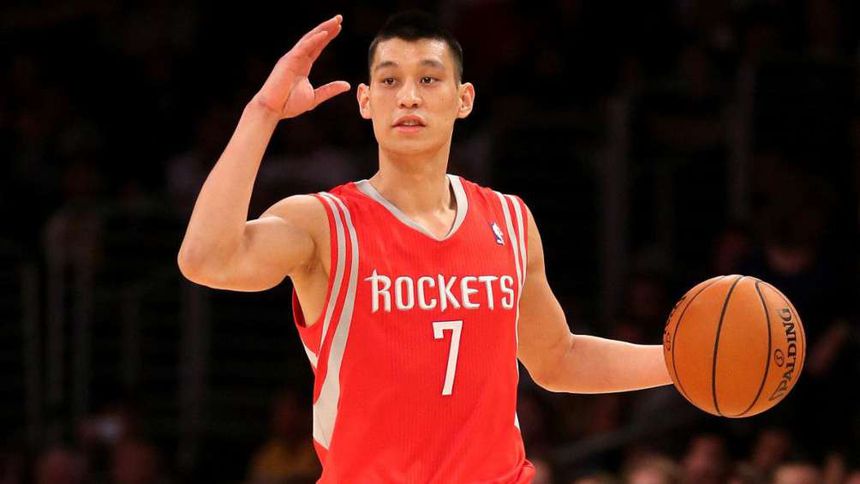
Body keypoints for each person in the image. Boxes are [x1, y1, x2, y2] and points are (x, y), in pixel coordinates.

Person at [177, 11, 671, 483]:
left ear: (464, 99)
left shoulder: (510, 220)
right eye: (390, 80)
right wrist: (263, 113)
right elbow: (206, 259)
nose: (409, 97)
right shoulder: (324, 223)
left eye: (429, 79)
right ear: (366, 100)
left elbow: (559, 358)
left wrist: (679, 364)